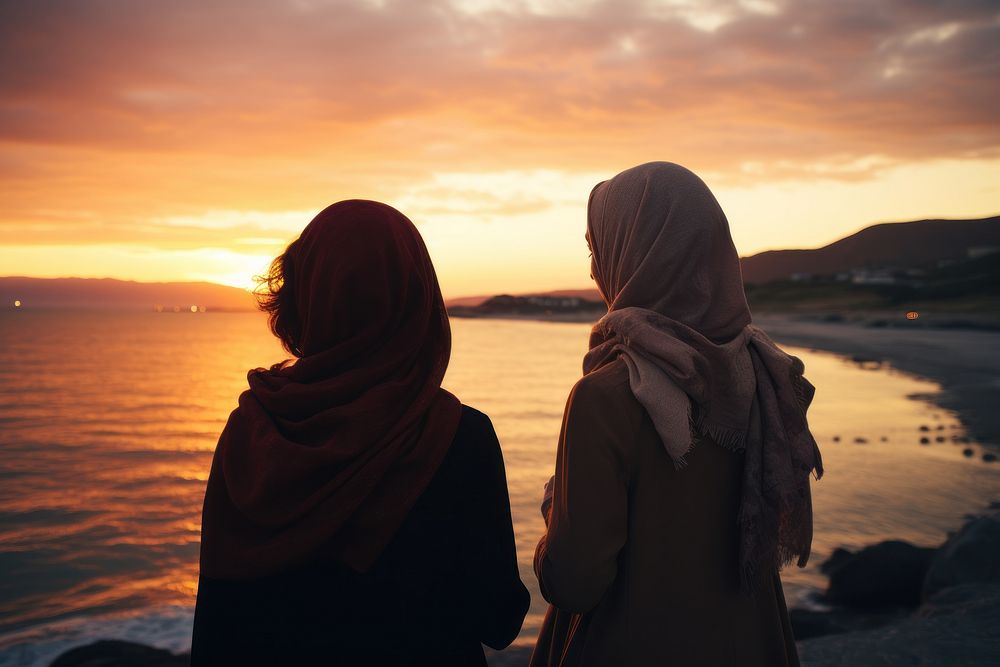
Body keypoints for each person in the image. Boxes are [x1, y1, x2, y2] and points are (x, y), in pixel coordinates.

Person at [192, 200, 529, 666]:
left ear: (305, 296)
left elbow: (216, 620)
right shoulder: (457, 435)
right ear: (418, 298)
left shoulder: (252, 432)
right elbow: (498, 618)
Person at [530, 163, 823, 667]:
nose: (594, 270)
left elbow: (574, 582)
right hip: (751, 646)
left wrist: (556, 512)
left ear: (637, 256)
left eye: (596, 250)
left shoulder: (606, 398)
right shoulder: (767, 376)